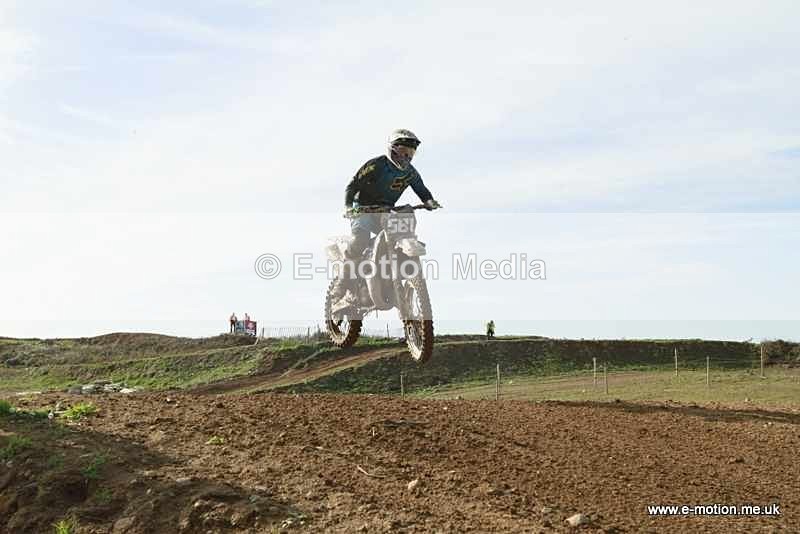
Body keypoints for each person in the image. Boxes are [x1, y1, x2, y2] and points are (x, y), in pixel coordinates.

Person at [333, 129, 441, 303]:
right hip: (363, 210)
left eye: (411, 153)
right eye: (404, 151)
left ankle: (387, 275)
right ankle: (342, 283)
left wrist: (429, 201)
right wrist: (348, 207)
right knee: (360, 240)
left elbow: (421, 188)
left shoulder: (410, 173)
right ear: (393, 149)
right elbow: (352, 185)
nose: (407, 156)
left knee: (400, 234)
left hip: (385, 212)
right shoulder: (377, 165)